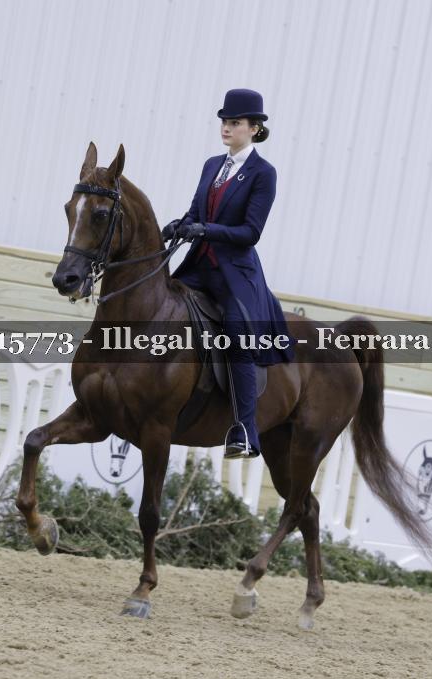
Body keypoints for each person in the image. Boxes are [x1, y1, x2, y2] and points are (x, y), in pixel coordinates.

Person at [162, 88, 294, 460]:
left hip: (235, 275)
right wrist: (179, 225)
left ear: (254, 129)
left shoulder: (263, 173)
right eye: (224, 121)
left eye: (234, 122)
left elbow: (250, 232)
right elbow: (196, 212)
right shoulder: (211, 166)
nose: (226, 128)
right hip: (199, 267)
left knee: (237, 336)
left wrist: (205, 230)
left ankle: (245, 430)